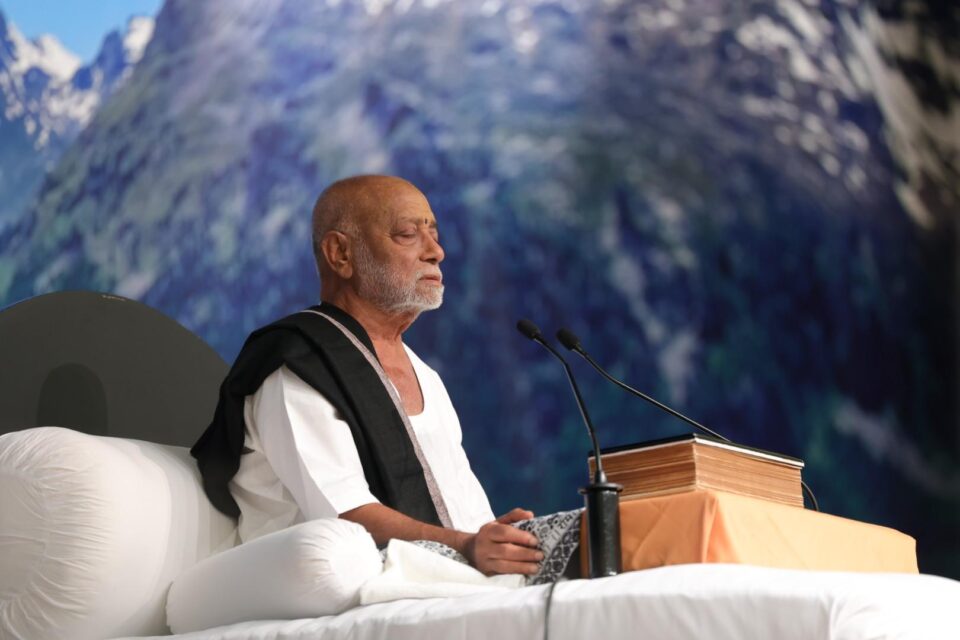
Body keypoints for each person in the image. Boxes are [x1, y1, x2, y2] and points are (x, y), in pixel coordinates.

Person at [192, 175, 543, 576]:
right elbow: (345, 514)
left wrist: (500, 541)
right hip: (343, 587)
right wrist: (465, 546)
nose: (437, 252)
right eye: (408, 234)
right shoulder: (299, 364)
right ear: (340, 253)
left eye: (434, 233)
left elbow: (468, 515)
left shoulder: (426, 376)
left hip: (445, 579)